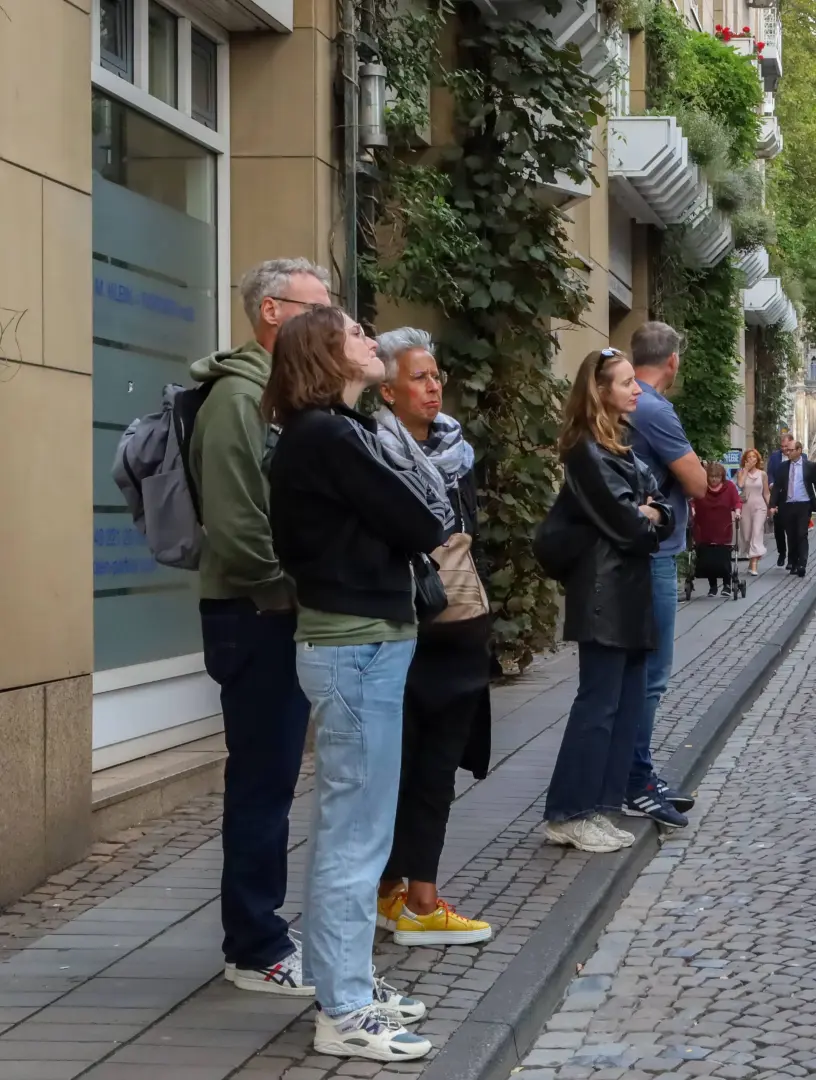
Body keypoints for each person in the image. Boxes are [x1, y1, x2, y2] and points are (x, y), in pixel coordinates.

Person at [264, 307, 443, 1060]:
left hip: (356, 643)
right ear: (327, 357)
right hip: (357, 646)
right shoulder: (331, 436)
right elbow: (423, 519)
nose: (373, 343)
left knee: (350, 828)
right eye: (358, 336)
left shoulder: (328, 434)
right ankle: (343, 1010)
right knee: (356, 836)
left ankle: (349, 987)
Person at [191, 259, 330, 996]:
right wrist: (290, 595)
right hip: (255, 614)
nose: (332, 322)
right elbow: (242, 530)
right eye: (318, 308)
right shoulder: (237, 401)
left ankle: (260, 932)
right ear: (273, 313)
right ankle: (254, 944)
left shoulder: (274, 398)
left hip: (272, 611)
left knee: (271, 777)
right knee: (261, 781)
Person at [371, 329, 495, 948]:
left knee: (437, 770)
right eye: (418, 377)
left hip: (459, 633)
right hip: (405, 632)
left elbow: (466, 534)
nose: (433, 384)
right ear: (387, 390)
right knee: (402, 768)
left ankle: (417, 893)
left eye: (435, 373)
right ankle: (400, 894)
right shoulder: (372, 450)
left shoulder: (457, 452)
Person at [544, 347, 672, 854]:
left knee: (623, 706)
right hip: (604, 593)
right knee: (598, 705)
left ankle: (599, 806)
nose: (636, 389)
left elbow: (659, 511)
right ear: (600, 392)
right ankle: (569, 812)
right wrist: (645, 515)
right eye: (625, 383)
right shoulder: (587, 451)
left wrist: (649, 513)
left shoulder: (619, 448)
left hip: (629, 592)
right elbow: (630, 525)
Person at [620, 323, 703, 830]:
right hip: (654, 555)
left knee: (637, 676)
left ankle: (635, 775)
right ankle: (637, 781)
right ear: (672, 361)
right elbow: (695, 480)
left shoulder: (629, 404)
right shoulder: (652, 407)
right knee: (651, 678)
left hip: (637, 554)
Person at [771, 434, 816, 576]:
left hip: (804, 504)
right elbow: (777, 487)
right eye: (786, 450)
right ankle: (793, 562)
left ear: (799, 450)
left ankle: (802, 563)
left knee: (802, 533)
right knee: (791, 535)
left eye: (790, 450)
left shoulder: (810, 466)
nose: (787, 452)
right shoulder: (783, 467)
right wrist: (772, 504)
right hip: (787, 505)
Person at [690, 460, 743, 595]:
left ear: (722, 477)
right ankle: (712, 586)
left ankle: (726, 585)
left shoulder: (729, 487)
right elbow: (693, 501)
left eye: (717, 477)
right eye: (711, 477)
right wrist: (693, 510)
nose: (714, 480)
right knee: (707, 558)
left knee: (723, 557)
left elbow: (737, 501)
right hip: (704, 526)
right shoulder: (702, 487)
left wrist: (737, 512)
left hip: (722, 527)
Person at [737, 448, 769, 576]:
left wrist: (771, 506)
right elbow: (740, 484)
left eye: (753, 457)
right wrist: (745, 469)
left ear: (757, 459)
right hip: (746, 506)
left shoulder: (762, 474)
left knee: (756, 532)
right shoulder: (741, 472)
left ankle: (754, 564)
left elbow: (766, 493)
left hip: (759, 506)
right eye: (748, 457)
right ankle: (752, 560)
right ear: (745, 460)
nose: (751, 459)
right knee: (746, 535)